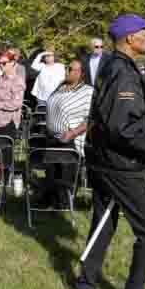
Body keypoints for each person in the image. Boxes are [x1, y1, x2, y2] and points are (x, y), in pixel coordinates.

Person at [75, 14, 145, 289]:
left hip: (105, 160)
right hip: (120, 164)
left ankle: (85, 286)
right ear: (129, 39)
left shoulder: (112, 65)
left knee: (104, 222)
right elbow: (123, 129)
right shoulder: (122, 72)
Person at [38, 60, 93, 207]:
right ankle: (49, 202)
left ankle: (64, 203)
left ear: (81, 73)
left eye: (71, 69)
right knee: (51, 172)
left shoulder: (87, 92)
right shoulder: (60, 87)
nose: (67, 71)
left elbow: (91, 119)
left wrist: (73, 132)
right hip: (51, 138)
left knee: (65, 174)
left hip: (70, 140)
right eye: (67, 68)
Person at [0, 51, 25, 140]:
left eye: (4, 63)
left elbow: (16, 104)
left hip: (7, 122)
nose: (1, 65)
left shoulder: (17, 81)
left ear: (12, 63)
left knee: (4, 151)